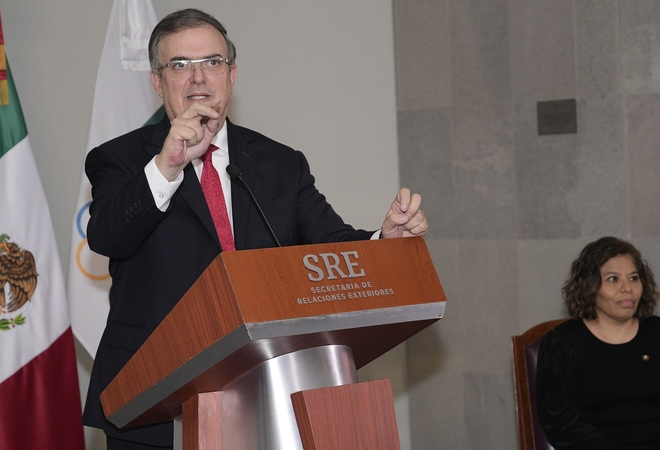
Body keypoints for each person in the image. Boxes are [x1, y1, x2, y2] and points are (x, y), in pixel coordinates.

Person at [80, 8, 428, 450]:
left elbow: (328, 242)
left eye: (212, 62)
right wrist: (167, 165)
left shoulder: (280, 163)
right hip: (155, 402)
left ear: (232, 74)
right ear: (157, 81)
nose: (199, 79)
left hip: (274, 390)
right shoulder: (121, 159)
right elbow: (107, 236)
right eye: (180, 66)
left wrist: (385, 245)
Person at [535, 237, 660, 450]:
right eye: (613, 279)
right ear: (590, 286)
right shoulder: (563, 343)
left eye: (634, 278)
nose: (627, 288)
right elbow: (562, 425)